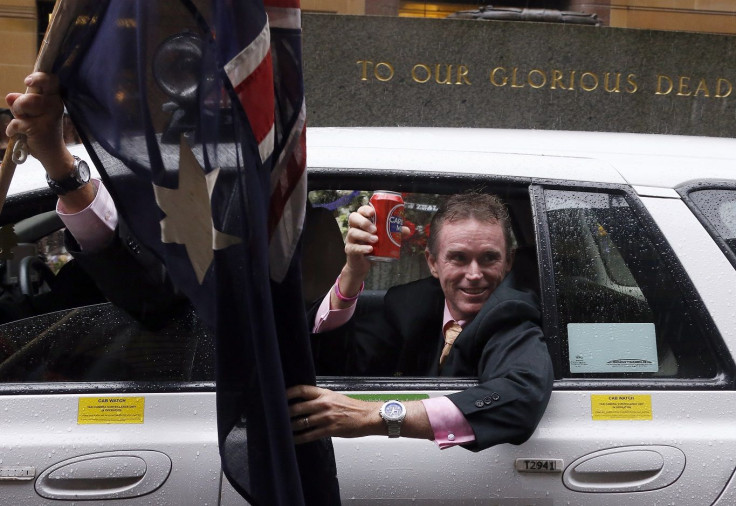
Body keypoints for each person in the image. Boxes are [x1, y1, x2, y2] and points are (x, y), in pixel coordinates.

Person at [286, 193, 554, 451]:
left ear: (508, 263)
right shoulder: (409, 305)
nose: (474, 274)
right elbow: (339, 365)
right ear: (432, 263)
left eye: (489, 258)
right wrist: (352, 273)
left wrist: (374, 414)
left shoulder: (511, 314)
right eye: (458, 258)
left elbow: (522, 396)